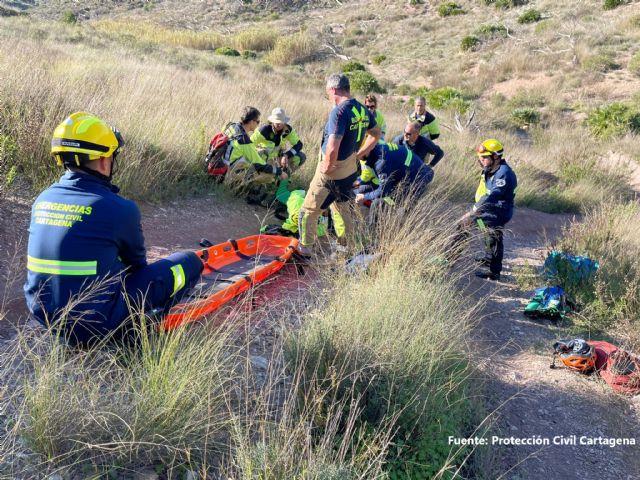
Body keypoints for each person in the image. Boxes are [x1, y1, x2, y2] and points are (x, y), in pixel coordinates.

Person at [24, 112, 204, 345]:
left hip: (44, 316)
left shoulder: (42, 200)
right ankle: (140, 326)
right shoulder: (119, 209)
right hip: (95, 324)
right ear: (103, 160)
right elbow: (137, 266)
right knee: (189, 262)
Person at [298, 74, 381, 256]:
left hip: (332, 172)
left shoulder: (339, 111)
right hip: (350, 170)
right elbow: (376, 133)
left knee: (307, 213)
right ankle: (347, 247)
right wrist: (358, 155)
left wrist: (327, 166)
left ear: (333, 89)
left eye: (327, 92)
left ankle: (304, 251)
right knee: (342, 207)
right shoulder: (361, 108)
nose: (328, 96)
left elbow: (333, 146)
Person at [455, 139, 517, 281]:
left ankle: (450, 259)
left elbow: (494, 195)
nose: (481, 160)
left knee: (468, 226)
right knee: (488, 233)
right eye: (480, 157)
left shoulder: (503, 173)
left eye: (484, 157)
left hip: (498, 212)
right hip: (488, 209)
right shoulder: (490, 169)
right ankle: (489, 259)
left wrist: (473, 211)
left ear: (495, 157)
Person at [223, 106, 288, 203]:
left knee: (257, 155)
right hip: (228, 173)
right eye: (257, 122)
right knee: (269, 177)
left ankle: (238, 183)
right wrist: (279, 172)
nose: (258, 124)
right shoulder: (245, 142)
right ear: (251, 122)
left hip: (221, 165)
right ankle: (239, 188)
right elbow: (260, 165)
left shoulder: (230, 126)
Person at [355, 142, 434, 206]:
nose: (356, 156)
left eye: (356, 153)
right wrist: (358, 182)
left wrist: (365, 196)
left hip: (416, 182)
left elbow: (384, 191)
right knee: (362, 189)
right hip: (405, 176)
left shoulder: (381, 162)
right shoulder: (377, 149)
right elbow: (368, 174)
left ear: (365, 150)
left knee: (377, 204)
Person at [250, 107, 306, 172]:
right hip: (263, 161)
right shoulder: (264, 130)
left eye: (281, 122)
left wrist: (287, 155)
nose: (279, 124)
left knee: (300, 157)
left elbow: (299, 144)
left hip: (278, 159)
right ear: (272, 121)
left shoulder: (287, 130)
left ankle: (285, 174)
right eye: (277, 122)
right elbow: (249, 144)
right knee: (270, 178)